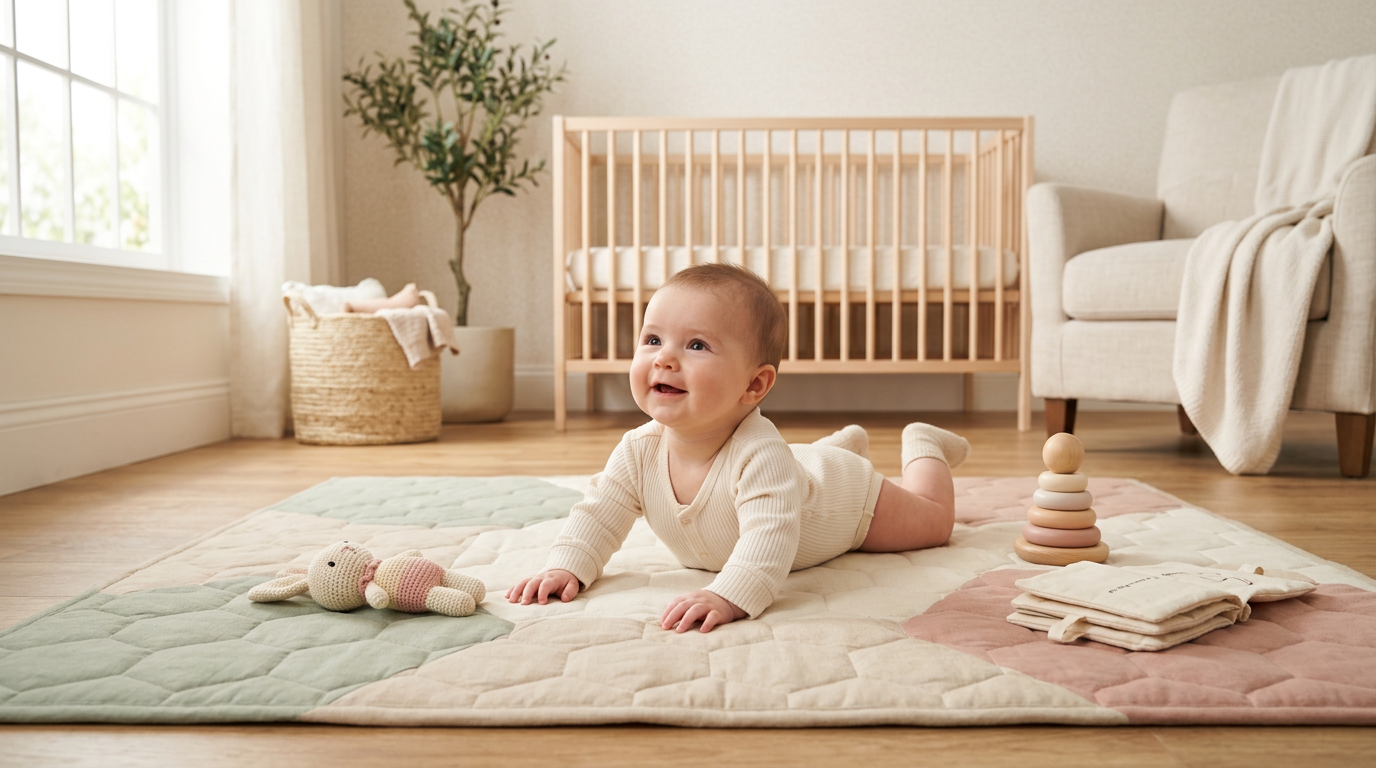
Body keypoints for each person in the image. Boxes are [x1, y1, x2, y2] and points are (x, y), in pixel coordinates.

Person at [505, 263, 970, 632]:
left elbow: (770, 540)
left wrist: (730, 593)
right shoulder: (636, 452)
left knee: (934, 522)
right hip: (800, 469)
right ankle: (843, 445)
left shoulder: (760, 456)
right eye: (652, 339)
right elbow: (598, 517)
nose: (664, 357)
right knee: (801, 463)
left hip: (844, 501)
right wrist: (567, 567)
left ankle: (921, 443)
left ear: (754, 384)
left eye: (697, 345)